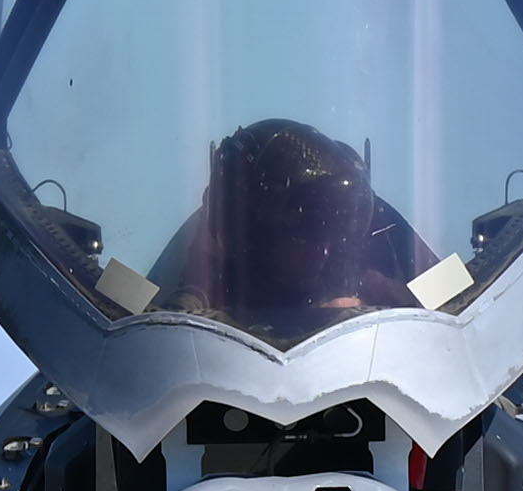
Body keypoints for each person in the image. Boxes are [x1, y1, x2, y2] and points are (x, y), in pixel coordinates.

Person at [152, 115, 436, 330]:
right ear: (255, 237)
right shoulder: (205, 279)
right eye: (302, 239)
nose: (322, 253)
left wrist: (385, 309)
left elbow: (455, 300)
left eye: (331, 239)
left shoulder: (366, 271)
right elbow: (153, 328)